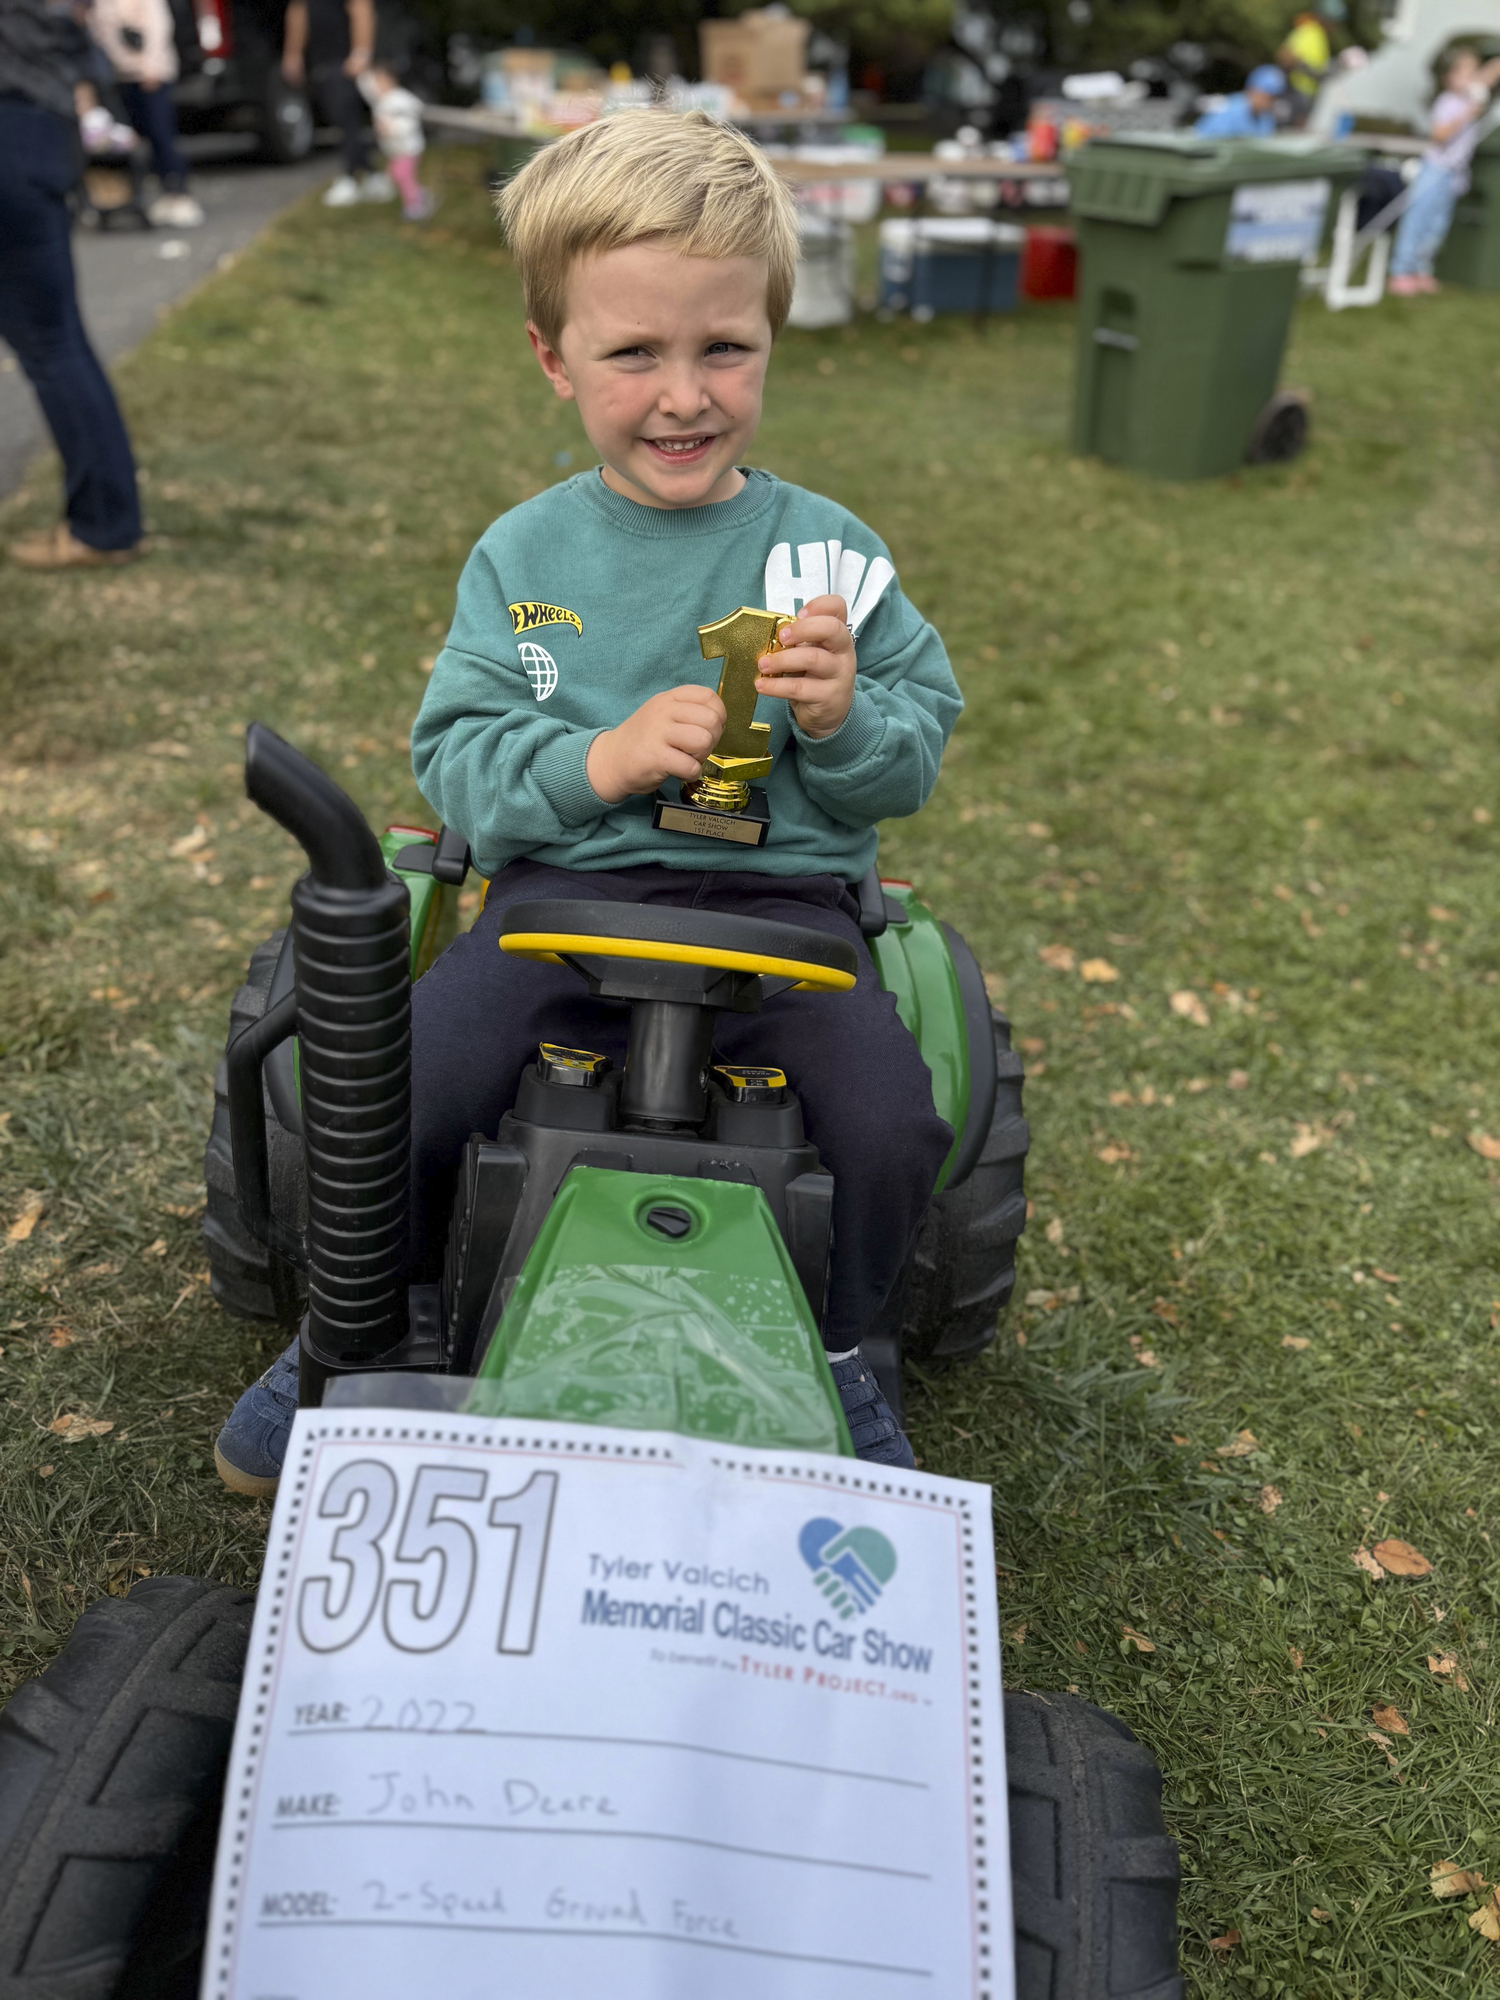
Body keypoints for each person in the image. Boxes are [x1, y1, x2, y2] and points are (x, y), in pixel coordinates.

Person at [214, 110, 963, 1494]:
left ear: (772, 340)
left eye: (723, 349)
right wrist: (597, 762)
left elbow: (912, 756)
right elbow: (461, 758)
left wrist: (844, 718)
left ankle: (843, 1354)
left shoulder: (832, 553)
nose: (685, 394)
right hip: (562, 903)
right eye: (635, 354)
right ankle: (369, 1319)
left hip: (786, 920)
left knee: (892, 1124)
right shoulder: (525, 555)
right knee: (403, 1084)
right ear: (555, 360)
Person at [0, 0, 143, 568]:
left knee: (52, 346)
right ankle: (107, 520)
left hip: (11, 133)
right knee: (59, 342)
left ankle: (104, 526)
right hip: (41, 133)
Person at [1389, 44, 1500, 295]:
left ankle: (1421, 269)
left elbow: (1491, 72)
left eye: (1474, 74)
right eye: (1465, 74)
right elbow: (1439, 135)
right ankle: (1400, 270)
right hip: (1435, 168)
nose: (1471, 79)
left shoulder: (1471, 98)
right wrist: (1466, 115)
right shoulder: (1448, 102)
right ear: (1450, 77)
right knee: (1418, 218)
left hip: (1454, 173)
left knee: (1438, 224)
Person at [89, 0, 203, 227]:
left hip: (150, 75)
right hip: (118, 77)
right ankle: (125, 199)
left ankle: (178, 193)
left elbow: (158, 25)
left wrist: (151, 67)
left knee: (161, 134)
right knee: (124, 141)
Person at [280, 0, 392, 207]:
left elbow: (361, 8)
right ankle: (371, 175)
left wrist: (361, 53)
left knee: (346, 117)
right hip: (321, 58)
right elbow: (298, 11)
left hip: (345, 60)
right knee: (340, 119)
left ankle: (350, 176)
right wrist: (293, 53)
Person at [357, 57, 430, 220]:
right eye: (375, 81)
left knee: (401, 175)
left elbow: (415, 114)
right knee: (396, 176)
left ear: (392, 80)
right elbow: (364, 84)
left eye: (380, 80)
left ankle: (414, 206)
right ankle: (419, 194)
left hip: (408, 148)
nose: (376, 85)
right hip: (395, 149)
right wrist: (361, 68)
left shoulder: (401, 98)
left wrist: (394, 128)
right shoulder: (379, 99)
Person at [1277, 0, 1345, 124]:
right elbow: (1285, 55)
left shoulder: (1318, 35)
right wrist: (1309, 71)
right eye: (1334, 22)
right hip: (1297, 94)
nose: (1335, 27)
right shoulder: (1310, 31)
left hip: (1306, 95)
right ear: (1326, 19)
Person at [1195, 64, 1286, 138]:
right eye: (1268, 95)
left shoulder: (1266, 118)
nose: (1271, 100)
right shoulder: (1228, 109)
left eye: (1275, 96)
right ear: (1252, 89)